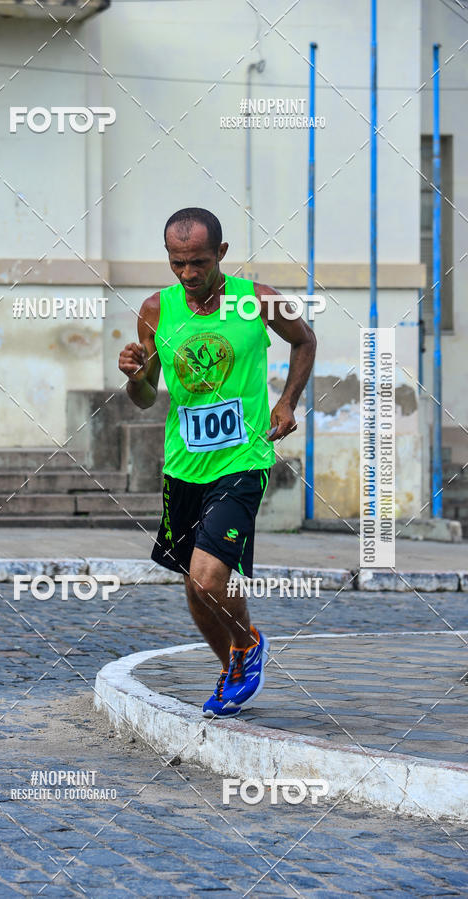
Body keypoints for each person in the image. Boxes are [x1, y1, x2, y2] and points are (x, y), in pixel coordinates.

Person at [118, 207, 316, 717]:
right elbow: (143, 398)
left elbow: (304, 340)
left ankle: (247, 648)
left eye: (199, 262)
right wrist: (136, 377)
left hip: (242, 460)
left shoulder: (257, 301)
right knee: (194, 585)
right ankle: (235, 658)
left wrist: (287, 401)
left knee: (207, 579)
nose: (187, 274)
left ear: (221, 254)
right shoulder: (155, 310)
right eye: (177, 262)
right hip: (183, 467)